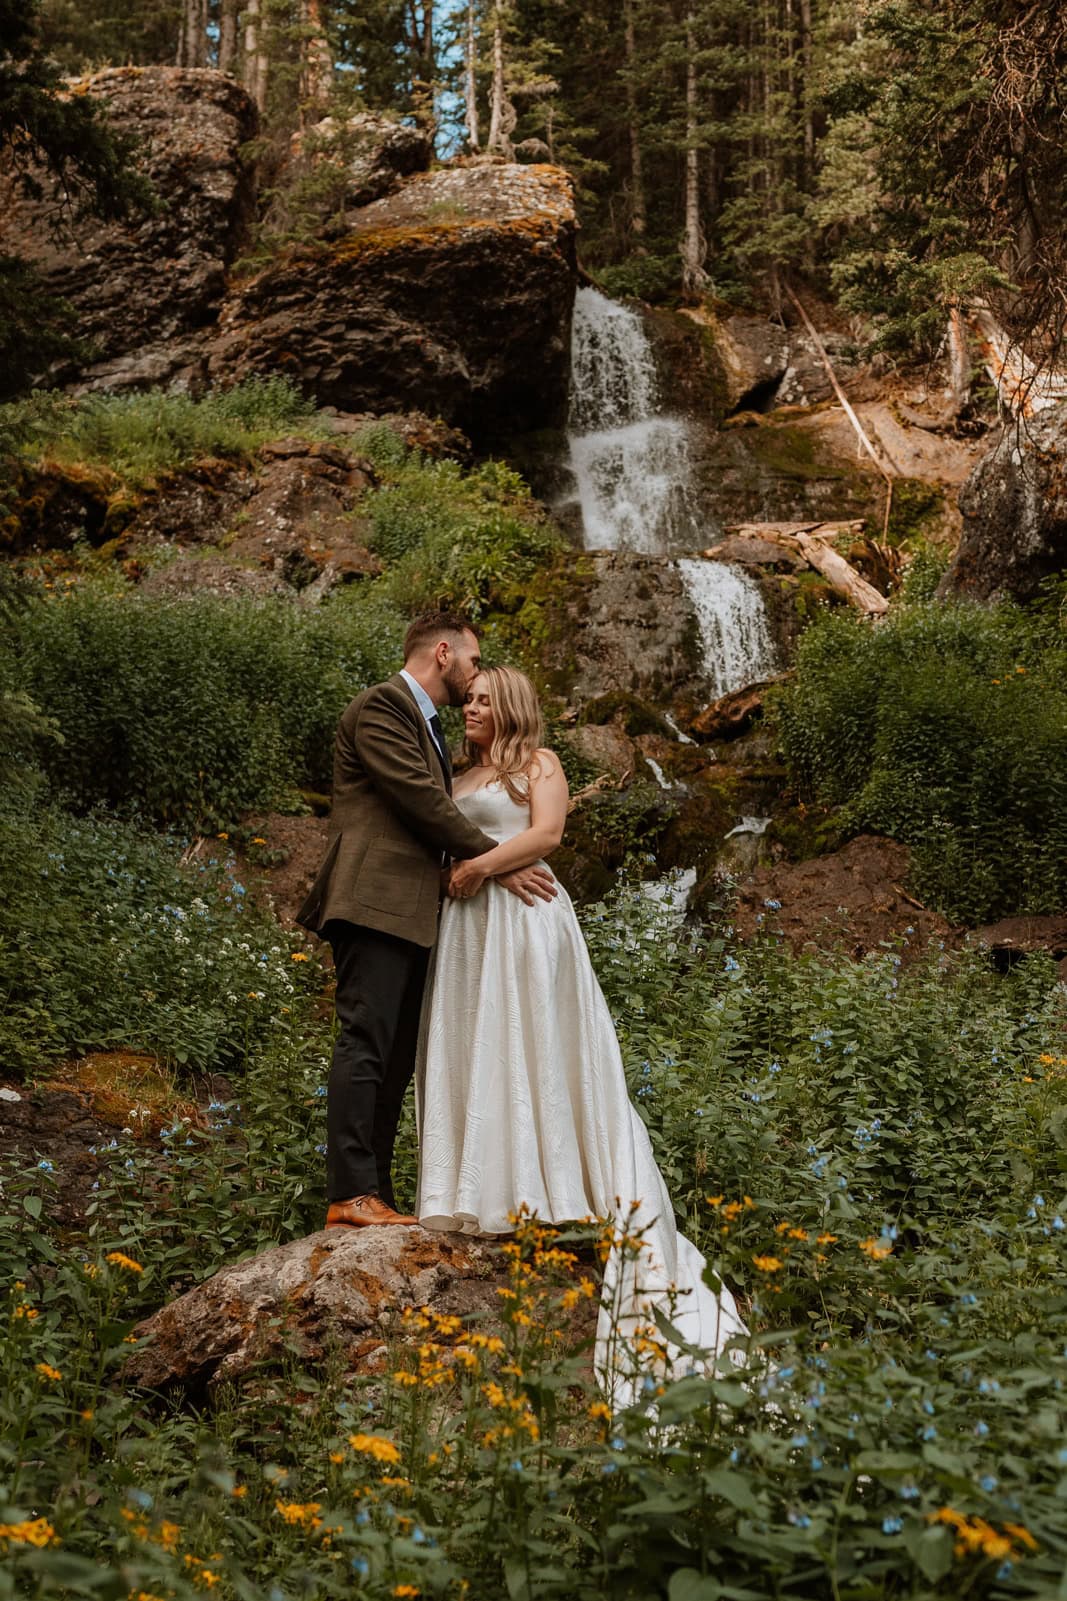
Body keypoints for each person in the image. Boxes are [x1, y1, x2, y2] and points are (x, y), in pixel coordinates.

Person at [416, 665, 745, 1402]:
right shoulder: (457, 779)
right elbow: (445, 855)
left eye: (479, 700)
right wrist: (477, 874)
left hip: (531, 928)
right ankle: (485, 1188)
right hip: (471, 929)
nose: (467, 708)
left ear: (510, 708)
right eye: (464, 699)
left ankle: (560, 1185)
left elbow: (548, 834)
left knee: (537, 1044)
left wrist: (481, 869)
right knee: (482, 1047)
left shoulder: (542, 764)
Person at [297, 615, 556, 1230]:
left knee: (394, 1056)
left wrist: (481, 864)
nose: (473, 676)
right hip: (374, 901)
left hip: (415, 911)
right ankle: (350, 1191)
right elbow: (419, 797)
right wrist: (491, 863)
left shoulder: (431, 726)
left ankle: (374, 1196)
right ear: (444, 653)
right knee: (365, 1041)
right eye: (472, 661)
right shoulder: (382, 706)